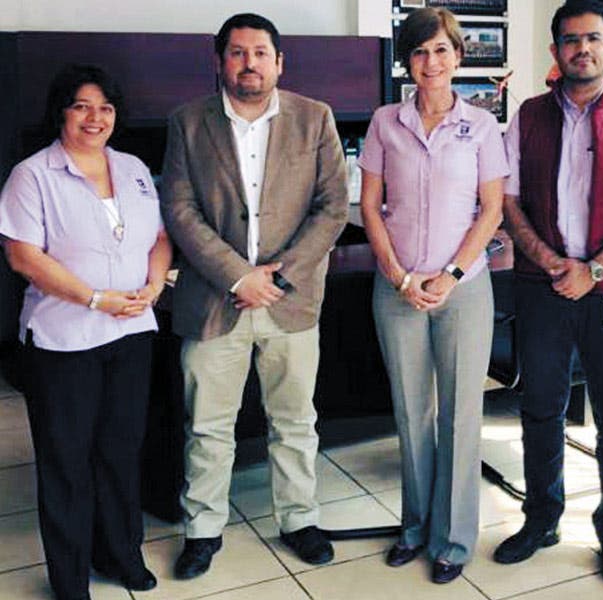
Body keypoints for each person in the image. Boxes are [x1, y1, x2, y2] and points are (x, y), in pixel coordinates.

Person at [160, 12, 349, 579]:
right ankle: (203, 529)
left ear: (279, 62)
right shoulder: (187, 122)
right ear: (220, 61)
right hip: (214, 301)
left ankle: (299, 519)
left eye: (261, 52)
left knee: (294, 421)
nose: (250, 63)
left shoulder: (314, 117)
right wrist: (239, 277)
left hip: (291, 303)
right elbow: (179, 209)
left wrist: (277, 278)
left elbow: (333, 208)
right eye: (238, 52)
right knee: (207, 426)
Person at [491, 0, 603, 585]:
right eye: (570, 40)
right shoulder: (528, 116)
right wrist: (550, 263)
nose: (582, 49)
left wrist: (592, 270)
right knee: (540, 407)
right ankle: (541, 519)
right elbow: (508, 200)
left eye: (593, 39)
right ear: (556, 51)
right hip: (541, 289)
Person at [0, 64, 171, 600]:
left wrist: (154, 285)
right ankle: (70, 577)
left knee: (120, 451)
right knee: (66, 460)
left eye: (106, 108)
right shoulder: (33, 175)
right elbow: (23, 256)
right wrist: (95, 298)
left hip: (132, 333)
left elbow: (159, 237)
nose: (95, 118)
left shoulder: (133, 168)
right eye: (82, 106)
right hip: (64, 340)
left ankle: (121, 554)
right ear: (61, 112)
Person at [358, 7, 508, 585]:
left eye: (442, 49)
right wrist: (399, 276)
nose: (431, 61)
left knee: (460, 416)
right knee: (411, 411)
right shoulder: (385, 122)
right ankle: (415, 527)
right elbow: (371, 206)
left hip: (463, 289)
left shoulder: (482, 126)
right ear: (408, 61)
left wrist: (449, 274)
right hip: (396, 287)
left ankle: (453, 539)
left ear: (458, 56)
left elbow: (490, 209)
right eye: (420, 51)